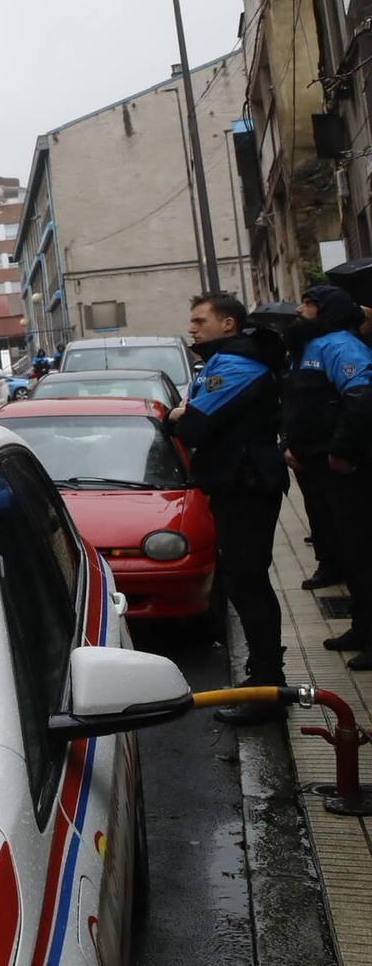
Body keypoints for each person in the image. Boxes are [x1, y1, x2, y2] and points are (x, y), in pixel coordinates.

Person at [170, 293, 291, 723]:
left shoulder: (239, 363)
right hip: (235, 483)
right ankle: (262, 678)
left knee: (248, 582)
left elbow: (195, 426)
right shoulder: (224, 360)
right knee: (242, 581)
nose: (192, 327)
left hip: (248, 483)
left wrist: (183, 415)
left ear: (228, 324)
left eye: (200, 319)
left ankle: (268, 689)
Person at [282, 285, 372, 670]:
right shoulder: (313, 346)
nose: (300, 309)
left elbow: (360, 398)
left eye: (308, 303)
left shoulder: (341, 346)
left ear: (327, 309)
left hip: (346, 468)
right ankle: (361, 627)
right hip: (322, 466)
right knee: (349, 552)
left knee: (364, 552)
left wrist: (342, 451)